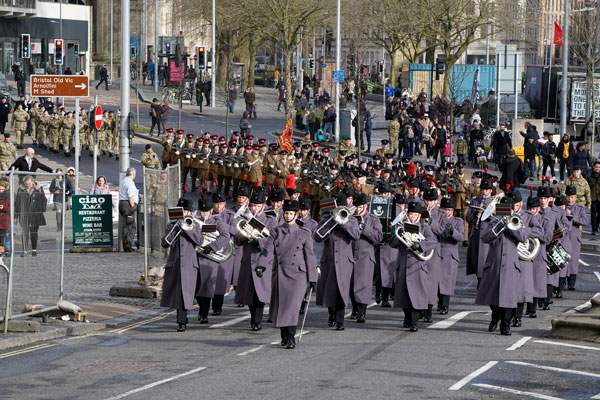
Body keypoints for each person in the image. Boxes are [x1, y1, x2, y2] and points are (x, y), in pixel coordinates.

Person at [262, 199, 317, 349]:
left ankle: (291, 337)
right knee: (282, 306)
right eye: (286, 213)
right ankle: (284, 337)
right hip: (280, 273)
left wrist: (312, 277)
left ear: (296, 215)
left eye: (291, 213)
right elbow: (268, 250)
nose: (287, 216)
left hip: (298, 276)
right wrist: (261, 265)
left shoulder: (304, 233)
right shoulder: (276, 231)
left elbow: (310, 256)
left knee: (291, 307)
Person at [476, 197, 530, 336]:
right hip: (494, 264)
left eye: (508, 210)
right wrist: (500, 225)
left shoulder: (517, 222)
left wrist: (510, 226)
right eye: (502, 210)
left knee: (509, 297)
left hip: (511, 266)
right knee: (493, 297)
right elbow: (485, 238)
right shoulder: (494, 222)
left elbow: (524, 237)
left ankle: (505, 325)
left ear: (512, 210)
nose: (505, 212)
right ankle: (495, 317)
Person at [314, 194, 360, 331]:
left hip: (345, 261)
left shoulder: (351, 220)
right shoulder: (325, 219)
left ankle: (340, 321)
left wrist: (344, 224)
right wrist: (331, 224)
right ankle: (331, 314)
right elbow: (316, 237)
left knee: (342, 291)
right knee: (329, 290)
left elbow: (356, 235)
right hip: (328, 260)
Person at [234, 191, 278, 331]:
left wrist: (257, 241)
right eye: (253, 206)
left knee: (260, 292)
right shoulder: (245, 219)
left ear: (263, 206)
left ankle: (257, 321)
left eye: (258, 206)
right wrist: (245, 236)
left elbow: (273, 239)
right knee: (249, 293)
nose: (255, 209)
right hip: (247, 260)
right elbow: (237, 240)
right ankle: (254, 318)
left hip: (262, 259)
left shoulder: (270, 221)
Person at [390, 201, 436, 332]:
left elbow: (433, 241)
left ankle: (414, 322)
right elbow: (392, 243)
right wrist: (400, 236)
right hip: (404, 266)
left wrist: (420, 246)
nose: (413, 217)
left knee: (416, 295)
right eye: (411, 214)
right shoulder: (402, 226)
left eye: (416, 215)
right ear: (407, 215)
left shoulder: (424, 228)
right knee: (404, 295)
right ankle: (408, 318)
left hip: (418, 265)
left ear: (419, 216)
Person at [160, 198, 204, 332]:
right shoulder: (172, 224)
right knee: (178, 294)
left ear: (190, 212)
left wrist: (187, 229)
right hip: (175, 263)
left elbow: (200, 240)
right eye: (182, 210)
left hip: (190, 264)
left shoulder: (195, 225)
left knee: (187, 293)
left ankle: (184, 320)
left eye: (187, 211)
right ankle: (181, 321)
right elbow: (164, 243)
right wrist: (176, 228)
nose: (185, 213)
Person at [194, 195, 231, 324]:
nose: (204, 214)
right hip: (197, 258)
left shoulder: (218, 223)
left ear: (211, 211)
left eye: (206, 211)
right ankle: (201, 309)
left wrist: (212, 247)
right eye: (202, 211)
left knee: (207, 287)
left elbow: (226, 236)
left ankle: (203, 313)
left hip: (210, 260)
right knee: (197, 287)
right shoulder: (195, 221)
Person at [350, 193, 383, 323]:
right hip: (351, 255)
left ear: (366, 206)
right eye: (356, 207)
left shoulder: (374, 219)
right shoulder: (350, 217)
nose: (358, 210)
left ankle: (362, 312)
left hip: (366, 256)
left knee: (363, 285)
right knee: (352, 284)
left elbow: (378, 237)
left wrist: (365, 228)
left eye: (360, 207)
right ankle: (354, 309)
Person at [438, 197, 465, 314]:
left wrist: (452, 231)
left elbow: (461, 237)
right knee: (436, 281)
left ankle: (445, 305)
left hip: (450, 254)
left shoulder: (458, 221)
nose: (447, 212)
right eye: (445, 209)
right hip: (438, 252)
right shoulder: (437, 220)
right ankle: (439, 302)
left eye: (449, 210)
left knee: (447, 281)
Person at [14, 175, 47, 257]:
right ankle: (24, 250)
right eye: (26, 183)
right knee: (25, 232)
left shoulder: (38, 189)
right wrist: (15, 216)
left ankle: (34, 250)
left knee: (34, 232)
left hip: (35, 214)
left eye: (29, 183)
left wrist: (42, 209)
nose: (28, 185)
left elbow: (44, 199)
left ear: (33, 182)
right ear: (24, 183)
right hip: (24, 214)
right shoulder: (21, 189)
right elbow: (17, 203)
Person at [564, 186, 589, 290]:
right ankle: (562, 281)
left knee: (573, 261)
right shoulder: (562, 207)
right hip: (564, 237)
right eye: (569, 196)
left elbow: (585, 221)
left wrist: (572, 217)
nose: (570, 199)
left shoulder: (579, 208)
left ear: (575, 197)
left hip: (574, 237)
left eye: (572, 197)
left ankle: (571, 283)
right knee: (563, 260)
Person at [118, 168, 139, 252]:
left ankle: (126, 244)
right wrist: (133, 207)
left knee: (126, 225)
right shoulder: (130, 183)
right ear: (133, 174)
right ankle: (128, 245)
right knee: (131, 226)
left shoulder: (123, 181)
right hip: (128, 205)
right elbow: (131, 196)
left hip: (122, 204)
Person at [589, 161, 600, 235]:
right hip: (592, 198)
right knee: (593, 214)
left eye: (599, 167)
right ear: (593, 167)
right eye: (596, 167)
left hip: (599, 198)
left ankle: (596, 226)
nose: (597, 168)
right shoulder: (589, 175)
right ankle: (594, 229)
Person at [0, 181, 10, 255]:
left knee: (3, 238)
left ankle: (2, 251)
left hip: (4, 220)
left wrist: (4, 208)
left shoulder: (8, 197)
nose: (1, 191)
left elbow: (11, 208)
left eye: (2, 189)